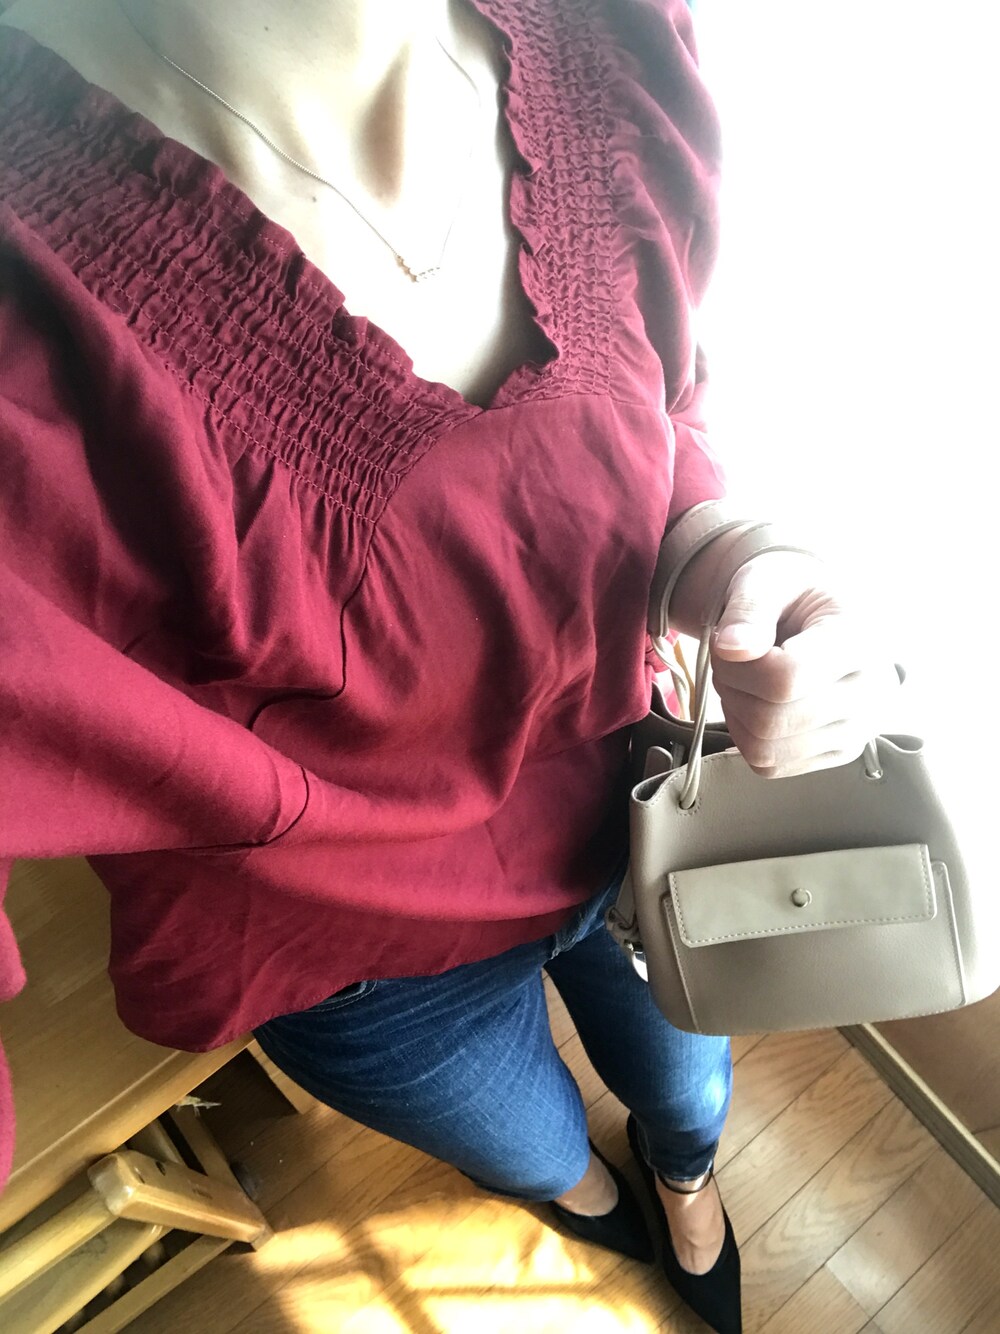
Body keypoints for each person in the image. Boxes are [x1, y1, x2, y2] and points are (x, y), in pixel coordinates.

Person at [0, 2, 896, 1329]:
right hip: (358, 963)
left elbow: (659, 402)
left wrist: (726, 551)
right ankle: (586, 1198)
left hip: (642, 810)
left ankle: (683, 1174)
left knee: (692, 1086)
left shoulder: (612, 35)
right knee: (530, 1145)